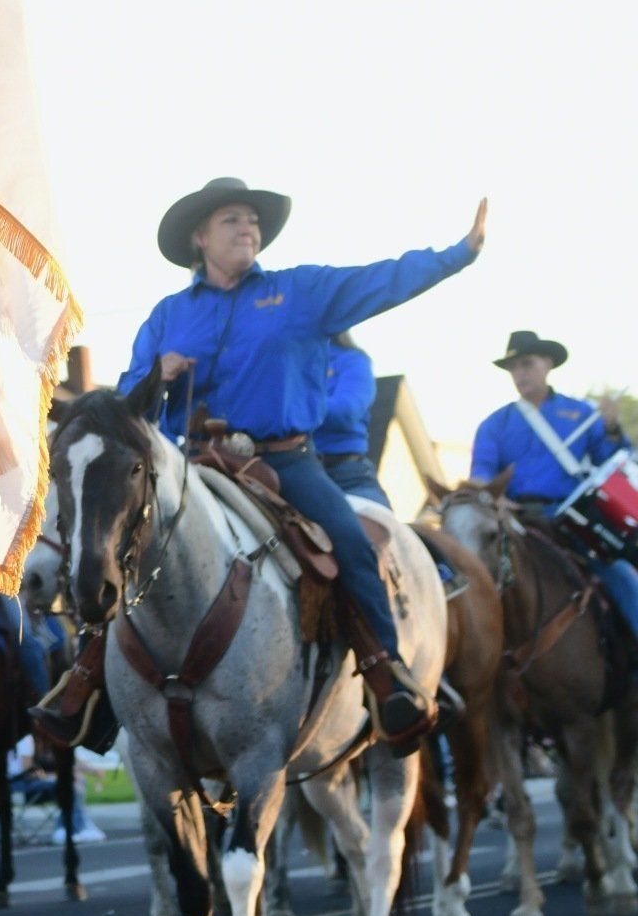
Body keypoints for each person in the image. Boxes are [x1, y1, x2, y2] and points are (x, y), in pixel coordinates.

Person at [36, 174, 485, 756]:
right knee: (118, 547)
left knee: (350, 541)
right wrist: (157, 374)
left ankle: (386, 675)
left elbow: (381, 280)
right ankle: (87, 684)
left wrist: (458, 254)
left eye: (253, 220)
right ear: (200, 237)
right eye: (232, 219)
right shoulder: (168, 316)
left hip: (285, 462)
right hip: (192, 464)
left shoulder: (300, 292)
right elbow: (127, 403)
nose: (247, 228)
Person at [471, 331, 638, 642]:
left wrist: (613, 428)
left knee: (623, 579)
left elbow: (611, 460)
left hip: (570, 520)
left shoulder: (581, 413)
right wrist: (494, 498)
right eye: (513, 367)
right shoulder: (494, 424)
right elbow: (481, 475)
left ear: (547, 364)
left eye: (526, 364)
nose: (519, 373)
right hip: (516, 520)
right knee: (471, 577)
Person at [315, 332, 390, 504]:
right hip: (284, 463)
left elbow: (346, 412)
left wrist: (293, 405)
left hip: (343, 473)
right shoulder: (286, 360)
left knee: (367, 519)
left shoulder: (352, 360)